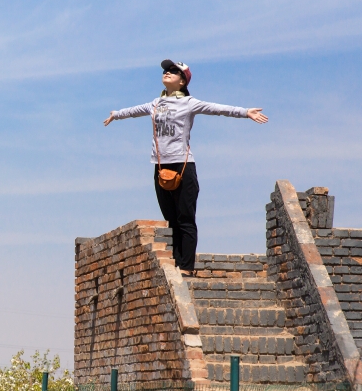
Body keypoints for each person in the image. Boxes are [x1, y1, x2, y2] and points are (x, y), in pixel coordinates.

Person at [103, 59, 268, 276]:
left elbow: (217, 109)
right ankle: (176, 263)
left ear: (182, 81)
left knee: (185, 218)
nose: (167, 72)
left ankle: (186, 268)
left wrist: (245, 112)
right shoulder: (155, 103)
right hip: (160, 166)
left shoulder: (189, 103)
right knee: (171, 219)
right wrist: (116, 114)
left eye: (173, 71)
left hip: (183, 165)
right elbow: (133, 111)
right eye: (166, 70)